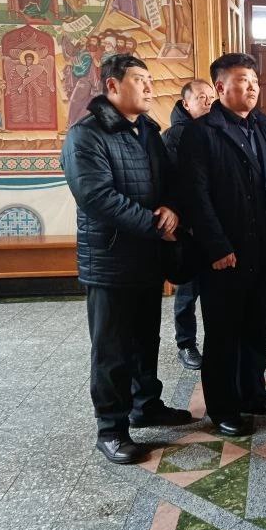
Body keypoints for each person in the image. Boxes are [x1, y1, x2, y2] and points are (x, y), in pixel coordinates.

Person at [60, 54, 192, 465]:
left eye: (150, 79)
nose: (150, 87)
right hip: (110, 259)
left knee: (145, 340)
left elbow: (170, 180)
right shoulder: (86, 135)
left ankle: (145, 405)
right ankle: (111, 429)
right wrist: (156, 225)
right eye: (139, 80)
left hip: (147, 258)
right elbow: (97, 197)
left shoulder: (148, 130)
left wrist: (172, 208)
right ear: (113, 86)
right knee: (112, 349)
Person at [179, 53, 266, 438]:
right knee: (224, 334)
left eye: (254, 81)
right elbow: (195, 196)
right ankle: (223, 408)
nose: (251, 87)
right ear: (220, 87)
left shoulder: (265, 127)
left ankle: (253, 393)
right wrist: (216, 247)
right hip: (225, 255)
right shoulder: (202, 132)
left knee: (256, 327)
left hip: (262, 248)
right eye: (242, 81)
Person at [161, 79, 216, 371]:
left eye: (211, 97)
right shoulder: (174, 136)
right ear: (186, 103)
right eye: (201, 98)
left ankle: (219, 341)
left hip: (215, 225)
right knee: (187, 291)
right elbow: (170, 182)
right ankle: (186, 343)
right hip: (188, 227)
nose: (208, 102)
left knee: (217, 290)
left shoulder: (217, 129)